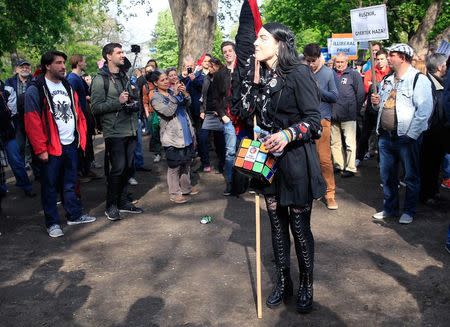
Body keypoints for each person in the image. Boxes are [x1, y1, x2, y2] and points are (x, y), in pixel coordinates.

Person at [235, 0, 325, 313]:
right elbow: (245, 114)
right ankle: (283, 282)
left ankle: (307, 285)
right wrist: (250, 80)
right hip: (269, 164)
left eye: (262, 39)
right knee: (275, 225)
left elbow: (315, 122)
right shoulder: (260, 77)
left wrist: (287, 134)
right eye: (256, 38)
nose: (255, 43)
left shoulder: (299, 73)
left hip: (297, 161)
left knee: (299, 228)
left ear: (279, 45)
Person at [24, 51, 96, 237]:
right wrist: (40, 149)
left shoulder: (67, 85)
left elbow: (77, 112)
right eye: (58, 63)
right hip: (50, 147)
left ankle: (74, 214)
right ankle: (53, 223)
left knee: (71, 182)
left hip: (70, 143)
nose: (63, 66)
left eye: (64, 62)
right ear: (48, 66)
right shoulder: (36, 88)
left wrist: (80, 137)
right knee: (49, 186)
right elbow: (32, 121)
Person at [371, 44, 433, 224]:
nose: (388, 58)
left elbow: (424, 112)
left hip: (406, 137)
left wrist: (411, 136)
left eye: (392, 55)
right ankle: (390, 208)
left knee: (411, 176)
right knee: (387, 176)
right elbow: (380, 107)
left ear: (403, 58)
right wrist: (375, 103)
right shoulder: (387, 80)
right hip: (386, 136)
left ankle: (409, 210)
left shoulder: (418, 80)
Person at [90, 43, 144, 221]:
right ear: (108, 56)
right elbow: (95, 108)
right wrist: (118, 102)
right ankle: (111, 205)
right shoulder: (100, 79)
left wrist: (133, 102)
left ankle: (122, 201)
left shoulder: (123, 76)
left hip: (130, 129)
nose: (122, 55)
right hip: (114, 131)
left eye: (123, 52)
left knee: (128, 168)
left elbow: (129, 99)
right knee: (118, 169)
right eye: (119, 53)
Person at [149, 71, 198, 204]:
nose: (166, 81)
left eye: (166, 79)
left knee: (186, 162)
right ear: (155, 83)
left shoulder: (172, 91)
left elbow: (188, 104)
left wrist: (185, 93)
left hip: (185, 132)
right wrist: (176, 95)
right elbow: (168, 111)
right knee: (174, 166)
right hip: (171, 137)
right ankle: (175, 193)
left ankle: (186, 188)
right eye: (162, 80)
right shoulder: (155, 98)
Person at [303, 43, 339, 209]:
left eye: (313, 61)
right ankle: (312, 190)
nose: (311, 64)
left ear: (319, 58)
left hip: (322, 120)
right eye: (308, 61)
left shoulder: (328, 73)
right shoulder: (303, 72)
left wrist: (318, 89)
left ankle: (330, 194)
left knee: (324, 159)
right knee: (307, 159)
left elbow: (334, 96)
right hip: (304, 121)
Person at [420, 53, 448, 204]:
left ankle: (433, 190)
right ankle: (426, 194)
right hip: (429, 133)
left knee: (436, 164)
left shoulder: (442, 83)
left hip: (439, 133)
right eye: (445, 66)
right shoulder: (427, 84)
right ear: (439, 67)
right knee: (427, 164)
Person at [331, 53, 365, 177]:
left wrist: (355, 110)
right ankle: (338, 165)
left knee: (350, 143)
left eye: (342, 62)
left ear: (347, 62)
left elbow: (360, 94)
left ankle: (350, 167)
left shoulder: (354, 74)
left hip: (349, 115)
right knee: (335, 143)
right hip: (333, 115)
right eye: (337, 62)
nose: (339, 64)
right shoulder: (331, 74)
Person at [0, 79, 36, 198]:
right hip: (6, 131)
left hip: (7, 133)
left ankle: (26, 186)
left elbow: (12, 112)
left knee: (16, 161)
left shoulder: (6, 89)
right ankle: (2, 189)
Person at [66, 54, 99, 182]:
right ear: (79, 63)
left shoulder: (77, 78)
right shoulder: (72, 79)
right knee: (81, 143)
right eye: (84, 61)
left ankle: (86, 169)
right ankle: (81, 172)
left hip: (85, 114)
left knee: (88, 142)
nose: (85, 63)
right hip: (79, 116)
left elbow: (85, 93)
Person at [356, 49, 391, 166]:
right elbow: (366, 87)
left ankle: (381, 161)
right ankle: (359, 157)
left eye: (382, 59)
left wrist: (374, 85)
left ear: (387, 59)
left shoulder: (390, 72)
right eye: (377, 59)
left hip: (384, 109)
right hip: (370, 109)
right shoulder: (370, 72)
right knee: (365, 133)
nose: (380, 62)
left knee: (382, 135)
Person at [198, 57, 226, 173]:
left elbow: (225, 96)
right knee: (202, 138)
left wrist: (221, 111)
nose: (209, 69)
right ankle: (205, 163)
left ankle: (222, 163)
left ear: (217, 66)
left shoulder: (223, 77)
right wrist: (202, 110)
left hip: (219, 114)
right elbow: (203, 96)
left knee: (219, 141)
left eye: (211, 66)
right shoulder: (206, 78)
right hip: (207, 113)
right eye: (208, 66)